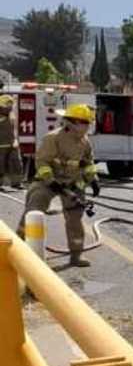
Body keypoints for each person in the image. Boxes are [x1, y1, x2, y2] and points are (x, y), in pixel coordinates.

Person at [15, 103, 101, 267]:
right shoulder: (53, 138)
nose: (88, 126)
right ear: (73, 122)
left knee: (75, 218)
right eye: (85, 123)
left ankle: (76, 255)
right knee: (34, 209)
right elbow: (42, 162)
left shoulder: (84, 141)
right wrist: (51, 182)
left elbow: (88, 163)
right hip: (48, 182)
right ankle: (18, 247)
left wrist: (93, 180)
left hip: (72, 183)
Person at [0, 95, 24, 189]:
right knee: (0, 165)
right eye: (7, 106)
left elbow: (14, 129)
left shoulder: (11, 115)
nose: (9, 108)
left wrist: (16, 140)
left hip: (12, 144)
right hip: (1, 145)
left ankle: (16, 183)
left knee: (16, 163)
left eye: (10, 105)